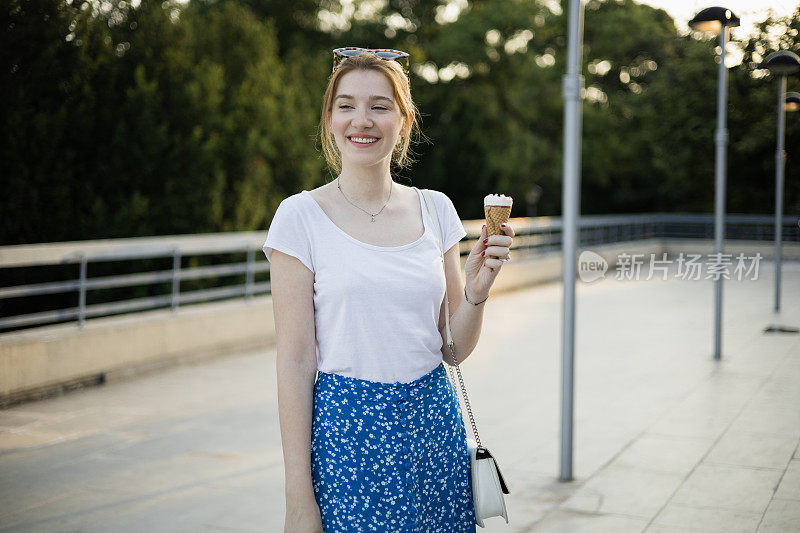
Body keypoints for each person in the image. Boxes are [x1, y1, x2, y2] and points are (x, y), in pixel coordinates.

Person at [262, 47, 514, 532]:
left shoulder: (435, 209)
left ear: (405, 120)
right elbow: (294, 363)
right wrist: (298, 497)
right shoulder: (299, 218)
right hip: (348, 439)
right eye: (346, 105)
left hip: (434, 431)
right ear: (330, 119)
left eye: (380, 106)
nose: (363, 120)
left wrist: (478, 290)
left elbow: (453, 350)